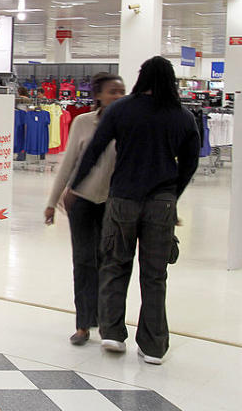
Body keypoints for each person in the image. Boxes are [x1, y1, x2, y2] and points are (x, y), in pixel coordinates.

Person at [72, 56, 199, 365]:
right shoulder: (182, 117)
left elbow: (95, 149)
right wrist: (173, 194)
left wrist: (77, 184)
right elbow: (191, 162)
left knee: (115, 264)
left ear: (141, 78)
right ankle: (153, 346)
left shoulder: (120, 109)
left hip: (123, 199)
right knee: (155, 275)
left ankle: (113, 332)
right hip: (161, 201)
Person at [44, 72, 126, 346]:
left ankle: (106, 322)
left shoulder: (128, 123)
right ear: (98, 95)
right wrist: (51, 202)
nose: (118, 95)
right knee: (83, 260)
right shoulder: (82, 122)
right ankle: (82, 325)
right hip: (81, 201)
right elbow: (68, 163)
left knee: (108, 261)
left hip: (112, 204)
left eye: (121, 91)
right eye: (112, 91)